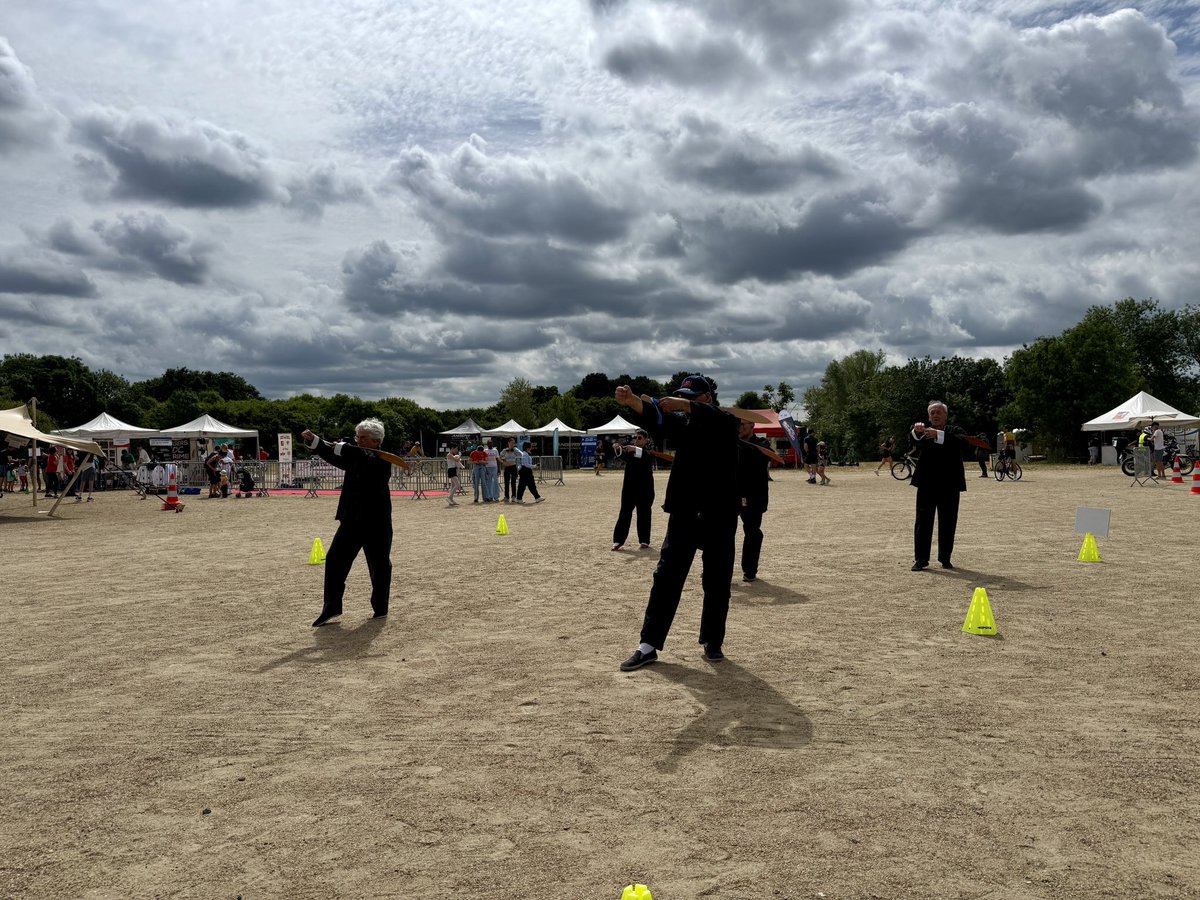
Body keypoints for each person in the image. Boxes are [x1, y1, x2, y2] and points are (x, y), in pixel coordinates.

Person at [615, 375, 740, 671]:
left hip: (719, 513)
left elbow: (717, 419)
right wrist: (633, 402)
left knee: (717, 580)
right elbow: (658, 420)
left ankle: (713, 641)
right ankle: (648, 645)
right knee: (666, 577)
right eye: (682, 397)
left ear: (706, 399)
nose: (683, 403)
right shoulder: (683, 425)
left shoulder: (726, 422)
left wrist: (685, 405)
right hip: (684, 511)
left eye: (690, 398)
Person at [301, 419, 394, 626]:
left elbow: (356, 455)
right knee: (334, 561)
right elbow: (335, 456)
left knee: (379, 565)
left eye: (363, 438)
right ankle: (332, 607)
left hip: (377, 521)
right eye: (357, 437)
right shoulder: (354, 457)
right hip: (351, 520)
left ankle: (380, 607)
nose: (358, 441)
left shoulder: (383, 461)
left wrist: (343, 447)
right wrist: (316, 441)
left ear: (377, 441)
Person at [910, 401, 968, 571]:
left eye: (939, 412)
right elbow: (914, 442)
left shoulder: (955, 432)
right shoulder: (925, 433)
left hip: (950, 485)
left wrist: (938, 435)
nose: (935, 415)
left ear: (946, 416)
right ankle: (921, 559)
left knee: (948, 521)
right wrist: (916, 431)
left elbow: (961, 443)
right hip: (926, 484)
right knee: (922, 521)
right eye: (932, 413)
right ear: (928, 417)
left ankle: (945, 558)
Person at [736, 419, 770, 582]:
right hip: (732, 493)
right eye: (739, 424)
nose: (740, 427)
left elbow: (761, 457)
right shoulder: (731, 442)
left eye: (744, 424)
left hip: (754, 495)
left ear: (752, 425)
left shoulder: (762, 444)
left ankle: (749, 570)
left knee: (752, 531)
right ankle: (717, 568)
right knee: (720, 531)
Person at [611, 429, 655, 551]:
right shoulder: (629, 452)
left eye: (639, 438)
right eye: (635, 438)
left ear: (647, 440)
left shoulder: (649, 452)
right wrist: (617, 447)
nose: (636, 440)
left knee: (644, 514)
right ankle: (618, 540)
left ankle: (644, 540)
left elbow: (647, 456)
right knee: (624, 513)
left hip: (645, 489)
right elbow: (620, 454)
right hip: (629, 489)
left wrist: (634, 449)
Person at [500, 437, 519, 502]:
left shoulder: (515, 449)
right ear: (508, 443)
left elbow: (521, 454)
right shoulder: (504, 450)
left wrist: (514, 450)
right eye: (511, 443)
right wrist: (503, 462)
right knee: (506, 482)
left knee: (513, 482)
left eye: (513, 443)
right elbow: (500, 457)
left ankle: (513, 496)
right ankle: (506, 496)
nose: (512, 444)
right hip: (507, 467)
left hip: (513, 466)